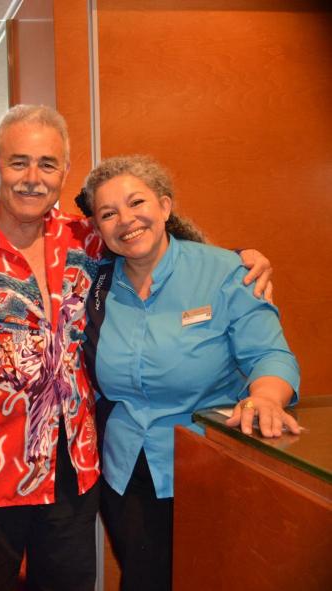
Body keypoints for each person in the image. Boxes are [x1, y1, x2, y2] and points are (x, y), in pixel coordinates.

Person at [0, 105, 274, 591]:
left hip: (74, 469)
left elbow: (154, 244)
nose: (33, 178)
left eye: (47, 164)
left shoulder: (86, 237)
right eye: (19, 163)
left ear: (64, 172)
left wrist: (237, 259)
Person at [77, 154, 300, 591]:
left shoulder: (225, 272)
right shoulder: (94, 285)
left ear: (165, 206)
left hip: (206, 463)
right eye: (108, 213)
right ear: (98, 228)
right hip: (125, 469)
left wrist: (266, 397)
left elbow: (270, 354)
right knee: (144, 579)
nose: (126, 220)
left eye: (137, 202)